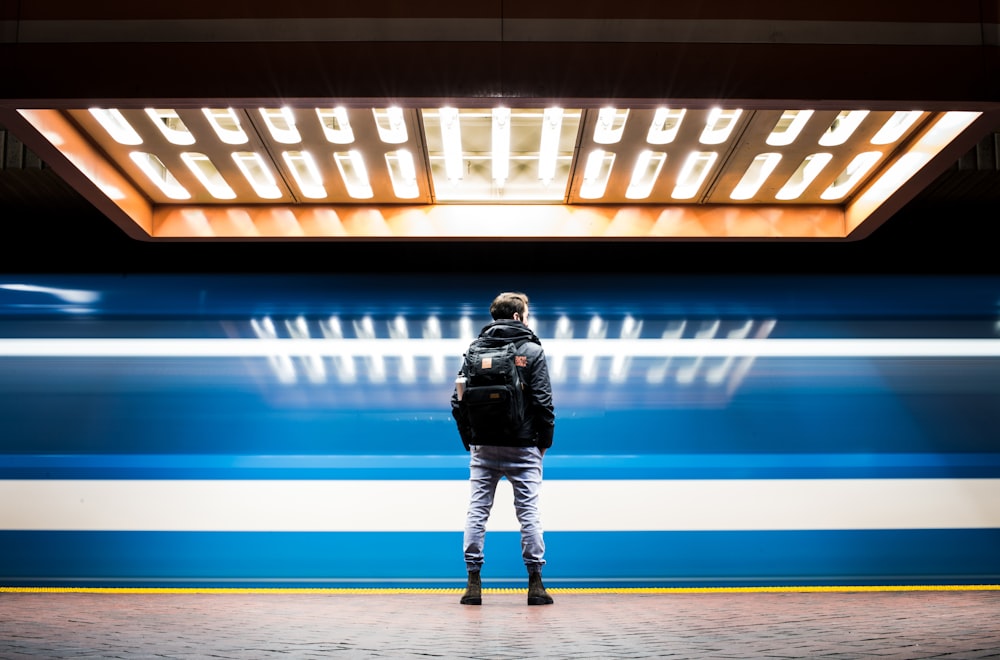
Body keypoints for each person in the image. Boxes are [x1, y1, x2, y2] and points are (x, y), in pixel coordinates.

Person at [451, 291, 556, 606]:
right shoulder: (532, 350)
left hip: (483, 447)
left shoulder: (473, 350)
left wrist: (469, 439)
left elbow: (457, 400)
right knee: (528, 513)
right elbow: (544, 401)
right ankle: (535, 584)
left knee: (478, 511)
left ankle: (473, 583)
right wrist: (544, 443)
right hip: (524, 447)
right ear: (517, 316)